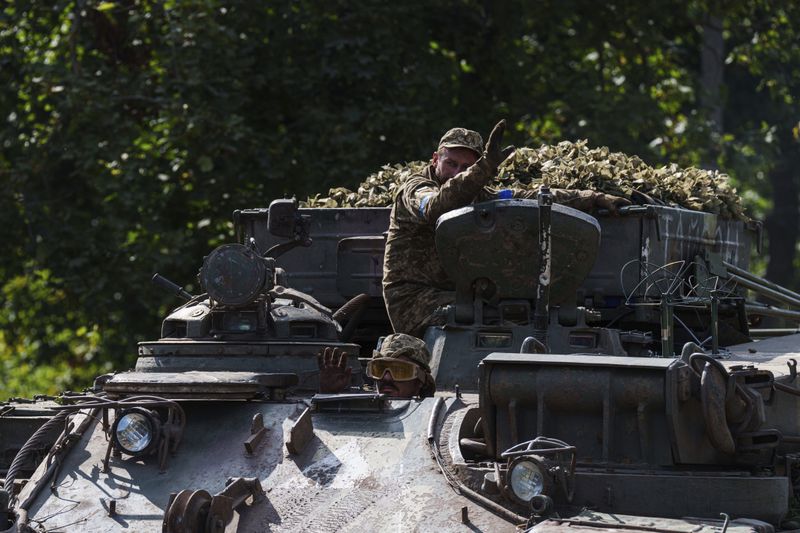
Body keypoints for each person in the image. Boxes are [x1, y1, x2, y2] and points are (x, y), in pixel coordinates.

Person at [382, 120, 630, 337]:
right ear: (435, 159)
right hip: (413, 299)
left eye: (466, 167)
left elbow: (528, 197)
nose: (457, 173)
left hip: (459, 298)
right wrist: (482, 169)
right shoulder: (415, 189)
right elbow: (436, 207)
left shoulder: (480, 196)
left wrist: (591, 197)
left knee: (522, 314)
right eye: (451, 164)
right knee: (501, 318)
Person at [317, 333, 435, 398]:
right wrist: (328, 395)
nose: (386, 378)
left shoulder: (432, 419)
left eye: (400, 371)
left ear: (420, 381)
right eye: (379, 369)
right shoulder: (360, 410)